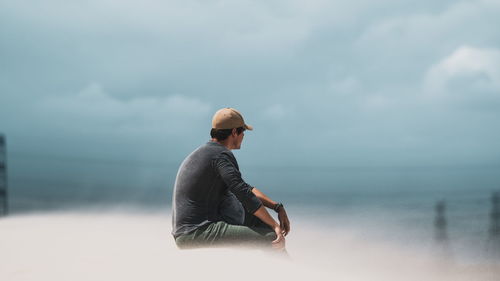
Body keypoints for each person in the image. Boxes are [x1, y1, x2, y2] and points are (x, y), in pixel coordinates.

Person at [171, 107, 290, 251]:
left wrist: (277, 207)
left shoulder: (209, 152)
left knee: (257, 221)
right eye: (243, 132)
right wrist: (275, 226)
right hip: (197, 232)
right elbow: (242, 191)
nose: (243, 136)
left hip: (190, 230)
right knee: (271, 237)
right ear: (234, 132)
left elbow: (245, 188)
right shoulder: (221, 156)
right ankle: (287, 271)